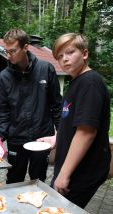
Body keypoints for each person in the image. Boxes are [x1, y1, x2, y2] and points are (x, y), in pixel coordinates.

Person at [40, 33, 111, 208]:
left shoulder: (90, 83)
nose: (64, 59)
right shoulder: (76, 82)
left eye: (70, 52)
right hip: (72, 168)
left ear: (84, 53)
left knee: (57, 210)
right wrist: (57, 138)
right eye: (60, 56)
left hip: (82, 171)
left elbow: (86, 132)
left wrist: (64, 174)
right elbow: (73, 123)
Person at [0, 28, 62, 184]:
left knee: (38, 180)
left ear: (25, 47)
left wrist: (61, 134)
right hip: (16, 137)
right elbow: (2, 110)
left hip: (41, 137)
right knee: (14, 179)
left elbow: (57, 105)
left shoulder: (46, 69)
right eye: (6, 51)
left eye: (13, 51)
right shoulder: (4, 76)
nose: (9, 55)